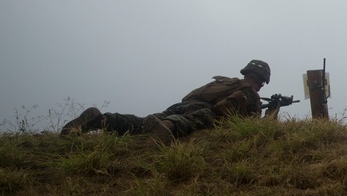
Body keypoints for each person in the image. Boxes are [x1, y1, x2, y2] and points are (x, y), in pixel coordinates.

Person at [60, 60, 271, 141]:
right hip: (200, 111)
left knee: (144, 122)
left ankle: (100, 120)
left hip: (181, 105)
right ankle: (166, 128)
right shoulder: (248, 92)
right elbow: (225, 112)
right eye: (261, 83)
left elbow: (191, 96)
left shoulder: (225, 82)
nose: (260, 87)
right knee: (197, 120)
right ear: (260, 81)